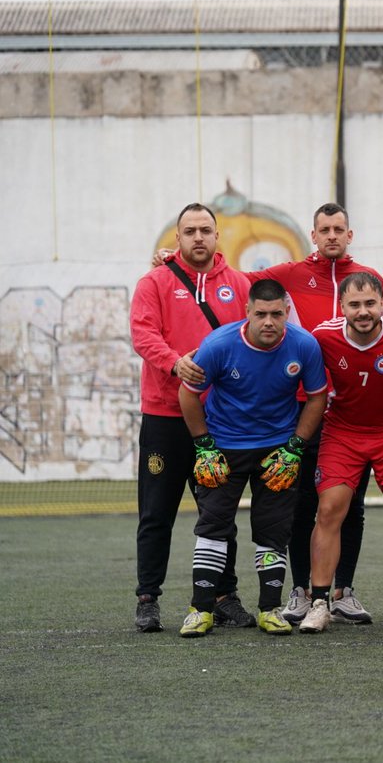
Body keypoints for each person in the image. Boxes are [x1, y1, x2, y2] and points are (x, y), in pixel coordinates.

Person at [248, 203, 383, 628]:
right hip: (303, 406)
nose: (332, 235)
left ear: (350, 235)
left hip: (354, 409)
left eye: (339, 229)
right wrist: (175, 264)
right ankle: (301, 592)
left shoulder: (370, 280)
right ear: (313, 236)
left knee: (349, 504)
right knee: (302, 502)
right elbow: (234, 286)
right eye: (324, 230)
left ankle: (343, 593)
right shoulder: (288, 275)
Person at [177, 279, 328, 637]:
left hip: (278, 450)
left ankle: (269, 609)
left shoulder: (304, 345)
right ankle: (201, 609)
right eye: (260, 314)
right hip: (224, 447)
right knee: (213, 526)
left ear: (287, 313)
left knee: (273, 532)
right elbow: (188, 395)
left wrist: (296, 447)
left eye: (276, 314)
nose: (269, 322)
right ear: (247, 312)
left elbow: (318, 398)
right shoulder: (218, 344)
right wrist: (204, 445)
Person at [130, 203, 253, 632]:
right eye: (189, 231)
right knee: (156, 512)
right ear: (177, 237)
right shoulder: (155, 281)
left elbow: (252, 337)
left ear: (218, 236)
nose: (198, 237)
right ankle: (148, 598)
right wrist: (173, 362)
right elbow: (143, 333)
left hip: (218, 420)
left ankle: (224, 596)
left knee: (218, 513)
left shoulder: (239, 284)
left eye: (205, 230)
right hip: (164, 416)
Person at [299, 273, 383, 634]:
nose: (363, 312)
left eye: (370, 304)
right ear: (342, 306)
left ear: (382, 304)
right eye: (354, 305)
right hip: (343, 433)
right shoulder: (322, 336)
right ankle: (319, 602)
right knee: (329, 510)